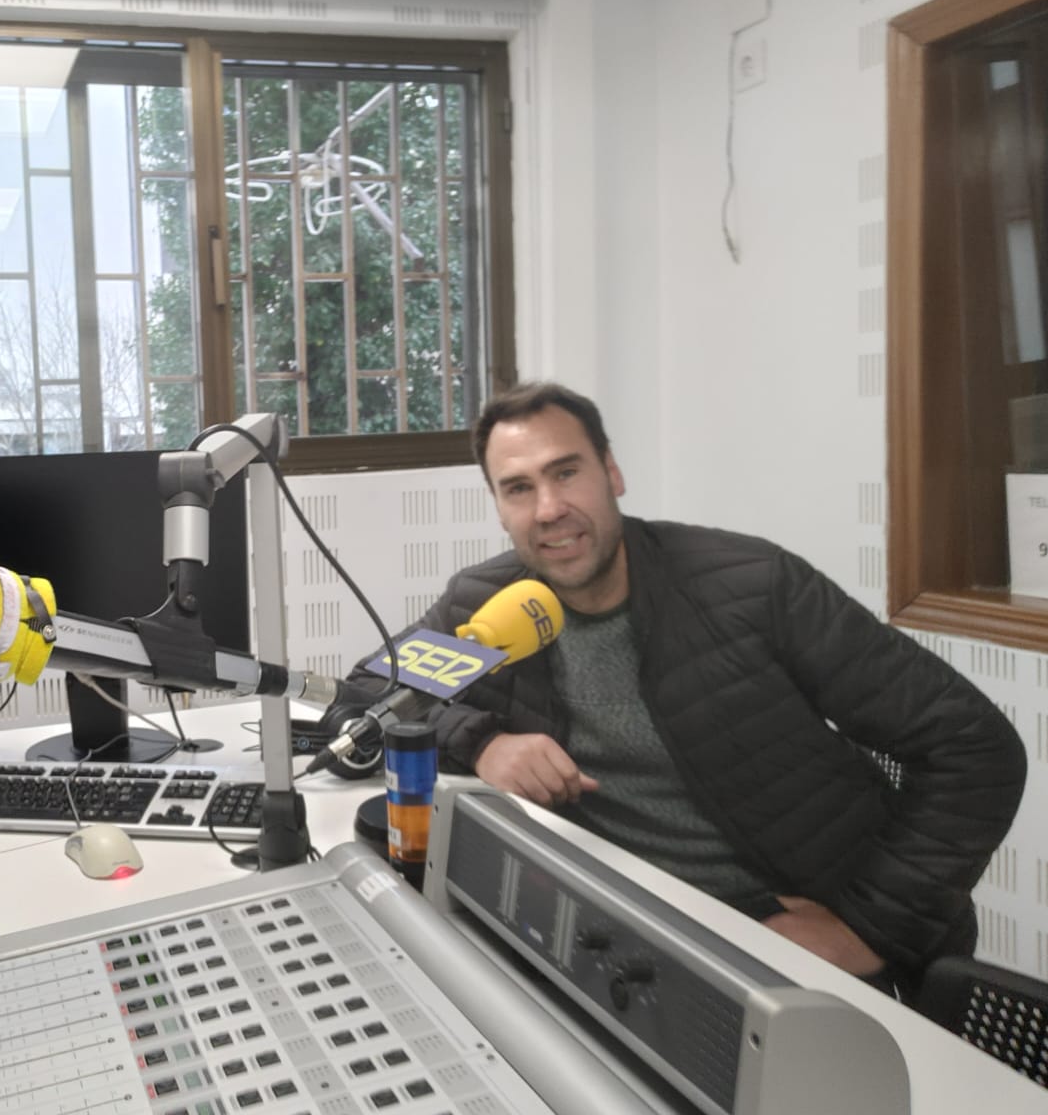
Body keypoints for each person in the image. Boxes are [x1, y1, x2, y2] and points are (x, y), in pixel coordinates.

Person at [347, 380, 1027, 995]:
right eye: (519, 488)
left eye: (566, 472)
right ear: (498, 508)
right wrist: (484, 740)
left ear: (611, 474)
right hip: (627, 927)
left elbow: (975, 748)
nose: (549, 508)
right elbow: (363, 698)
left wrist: (870, 929)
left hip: (792, 933)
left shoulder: (751, 588)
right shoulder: (486, 600)